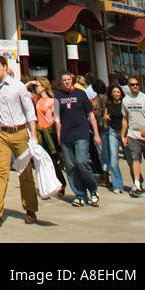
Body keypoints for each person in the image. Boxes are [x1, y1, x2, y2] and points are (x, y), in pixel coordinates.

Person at [0, 54, 38, 227]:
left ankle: (30, 208)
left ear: (5, 67)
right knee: (1, 171)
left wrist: (33, 136)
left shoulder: (18, 86)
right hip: (1, 133)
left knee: (24, 172)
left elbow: (30, 112)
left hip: (20, 132)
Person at [53, 71, 100, 208]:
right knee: (71, 166)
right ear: (60, 82)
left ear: (72, 80)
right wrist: (59, 137)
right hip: (66, 135)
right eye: (64, 80)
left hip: (81, 133)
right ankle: (80, 195)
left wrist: (96, 134)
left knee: (82, 161)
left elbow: (91, 115)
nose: (67, 82)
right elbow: (57, 118)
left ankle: (93, 190)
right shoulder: (57, 96)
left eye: (69, 79)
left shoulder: (80, 94)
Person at [27, 78, 66, 189]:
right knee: (45, 159)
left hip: (50, 131)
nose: (36, 88)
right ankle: (53, 184)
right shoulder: (37, 99)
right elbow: (23, 90)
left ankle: (61, 182)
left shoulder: (52, 101)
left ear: (44, 87)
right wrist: (30, 83)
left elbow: (55, 118)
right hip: (40, 131)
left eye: (38, 86)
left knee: (53, 158)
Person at [104, 84, 126, 193]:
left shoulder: (124, 104)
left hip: (124, 132)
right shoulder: (108, 105)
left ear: (121, 93)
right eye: (114, 92)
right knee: (113, 160)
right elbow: (105, 117)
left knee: (131, 159)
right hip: (113, 132)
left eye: (118, 92)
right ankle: (117, 185)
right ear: (111, 94)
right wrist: (106, 117)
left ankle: (137, 179)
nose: (116, 94)